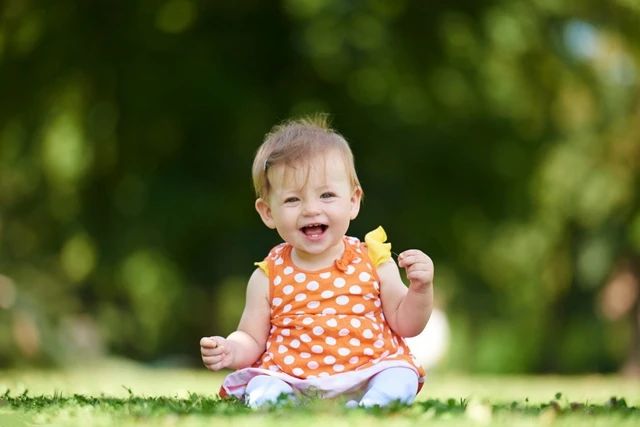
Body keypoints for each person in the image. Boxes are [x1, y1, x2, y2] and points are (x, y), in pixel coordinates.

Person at [200, 114, 434, 408]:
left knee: (400, 375)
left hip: (367, 373)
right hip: (292, 378)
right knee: (263, 384)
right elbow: (251, 337)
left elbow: (406, 323)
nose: (311, 209)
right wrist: (231, 349)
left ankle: (370, 407)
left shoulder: (374, 260)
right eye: (293, 200)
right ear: (267, 212)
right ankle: (283, 406)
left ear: (353, 201)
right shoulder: (268, 274)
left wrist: (420, 290)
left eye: (326, 195)